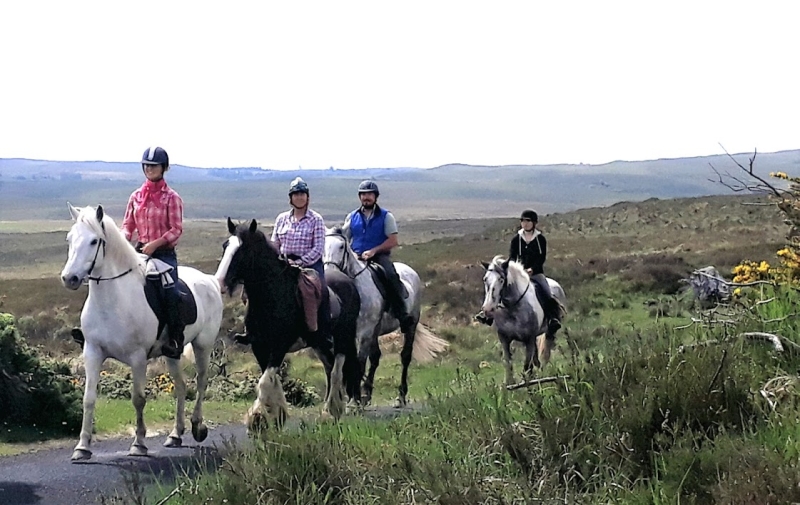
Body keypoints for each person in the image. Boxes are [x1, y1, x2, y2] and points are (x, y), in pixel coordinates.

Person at [121, 146, 185, 359]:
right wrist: (122, 242)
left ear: (163, 168)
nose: (149, 169)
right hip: (140, 252)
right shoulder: (136, 196)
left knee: (172, 293)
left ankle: (175, 339)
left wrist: (156, 244)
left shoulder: (172, 198)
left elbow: (176, 230)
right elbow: (128, 225)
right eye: (147, 166)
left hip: (164, 255)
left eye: (154, 166)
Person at [341, 180, 414, 332]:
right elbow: (345, 238)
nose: (366, 197)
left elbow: (393, 240)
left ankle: (401, 314)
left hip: (378, 256)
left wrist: (374, 251)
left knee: (390, 275)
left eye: (369, 194)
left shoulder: (386, 217)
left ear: (375, 197)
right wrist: (352, 253)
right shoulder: (352, 217)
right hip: (356, 256)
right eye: (363, 194)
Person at [476, 209, 561, 338]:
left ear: (534, 223)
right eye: (523, 221)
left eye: (528, 221)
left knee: (546, 292)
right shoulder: (516, 239)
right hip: (518, 276)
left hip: (536, 274)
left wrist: (532, 269)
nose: (525, 223)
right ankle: (488, 315)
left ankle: (552, 319)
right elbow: (512, 257)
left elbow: (541, 257)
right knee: (499, 289)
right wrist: (518, 271)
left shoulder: (540, 239)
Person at [270, 177, 330, 341]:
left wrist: (299, 263)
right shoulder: (281, 219)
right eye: (296, 194)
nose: (299, 197)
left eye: (302, 194)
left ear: (307, 197)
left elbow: (318, 248)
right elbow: (275, 244)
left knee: (319, 291)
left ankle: (321, 331)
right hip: (283, 263)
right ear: (291, 198)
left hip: (309, 265)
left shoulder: (316, 219)